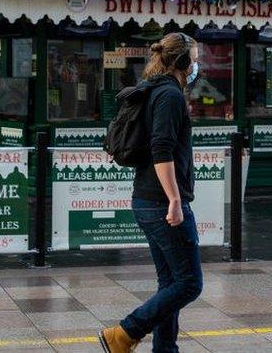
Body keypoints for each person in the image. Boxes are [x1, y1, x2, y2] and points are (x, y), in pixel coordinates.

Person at [99, 33, 202, 353]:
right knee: (189, 284)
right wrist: (174, 199)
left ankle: (165, 350)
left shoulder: (153, 88)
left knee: (170, 282)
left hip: (145, 198)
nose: (197, 65)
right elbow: (162, 149)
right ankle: (125, 333)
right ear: (183, 62)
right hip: (161, 202)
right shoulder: (169, 95)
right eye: (195, 59)